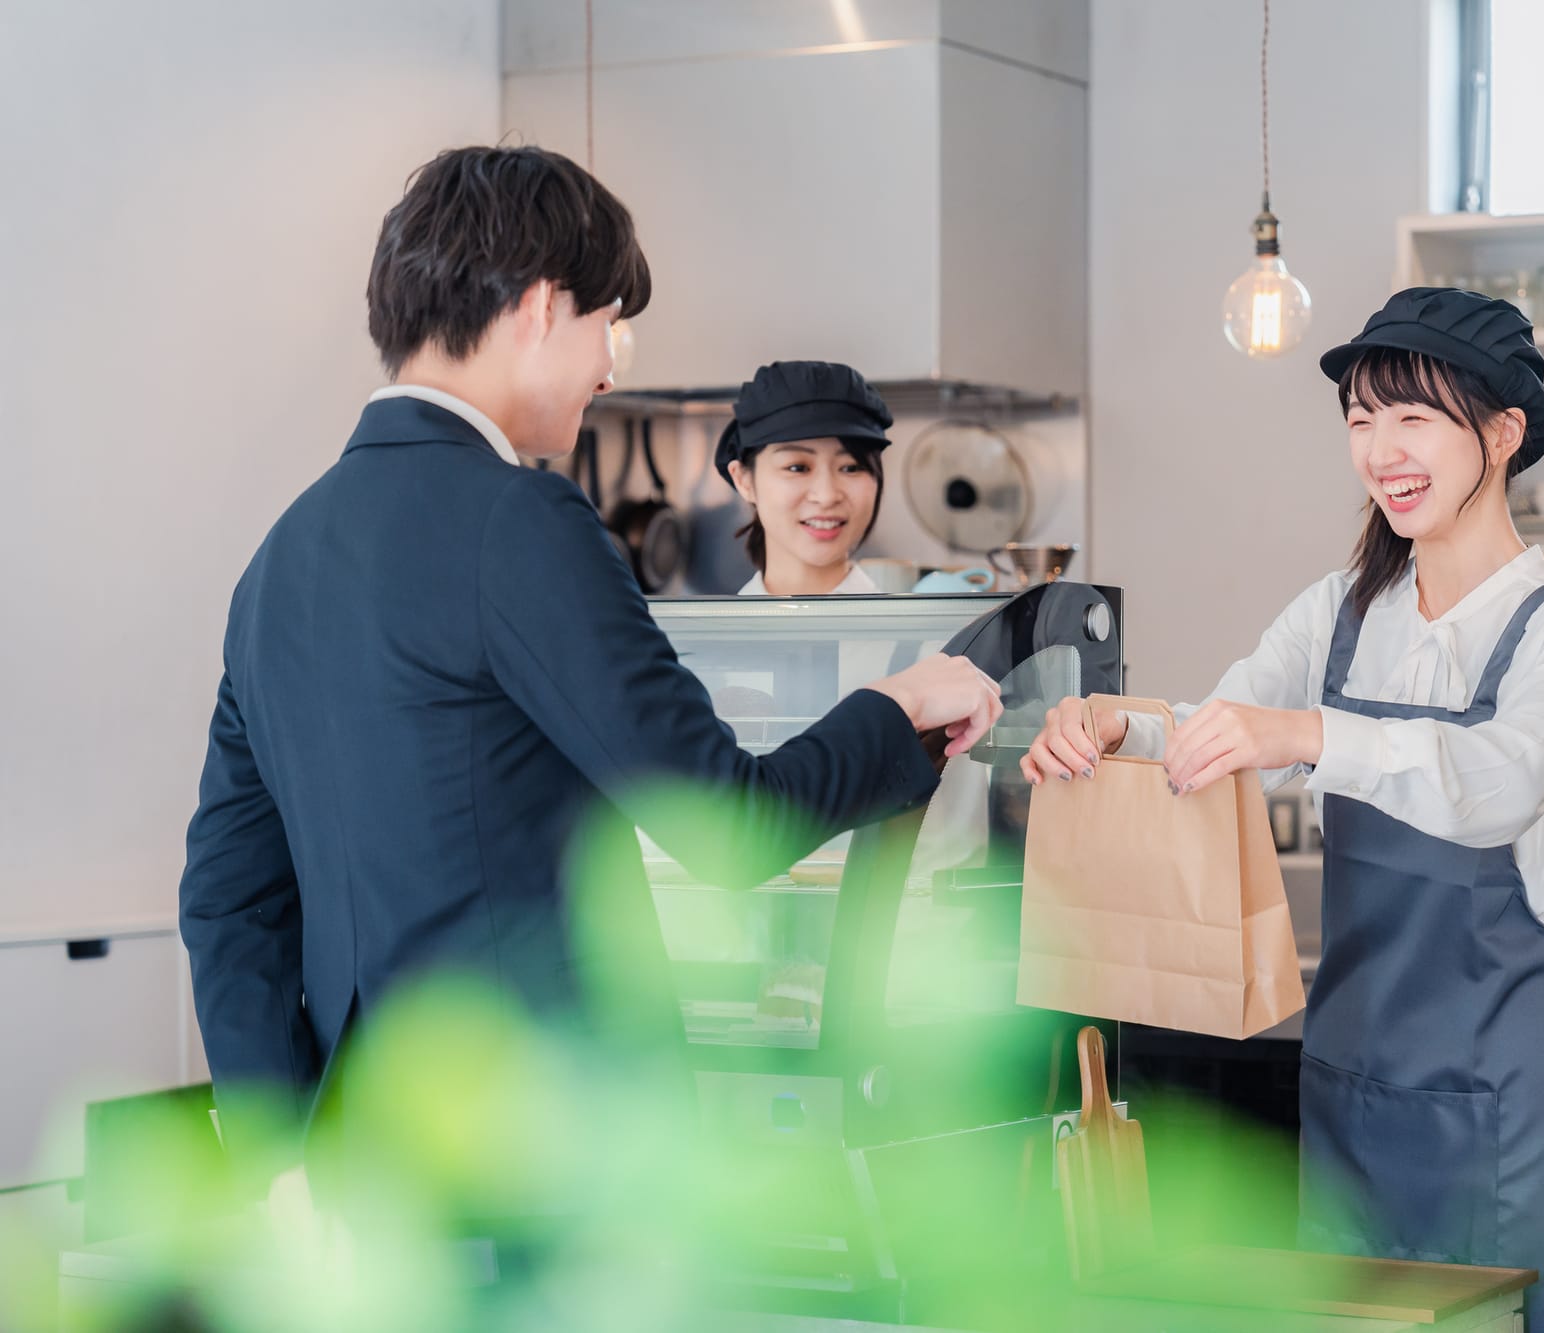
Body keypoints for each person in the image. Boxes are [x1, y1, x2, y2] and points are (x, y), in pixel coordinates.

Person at [177, 145, 1001, 1198]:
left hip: (364, 1169)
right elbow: (725, 823)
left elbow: (227, 901)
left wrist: (279, 1164)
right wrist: (892, 704)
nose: (613, 366)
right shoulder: (516, 520)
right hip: (551, 1154)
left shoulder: (279, 559)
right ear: (537, 306)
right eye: (607, 324)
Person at [1022, 288, 1544, 1328]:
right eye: (1359, 420)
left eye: (1411, 417)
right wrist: (1120, 731)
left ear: (1501, 432)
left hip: (1517, 1094)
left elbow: (1493, 782)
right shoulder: (1339, 609)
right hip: (1355, 1084)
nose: (1378, 449)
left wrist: (1305, 733)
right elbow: (1223, 730)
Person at [718, 360, 889, 596]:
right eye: (797, 468)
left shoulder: (918, 631)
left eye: (851, 467)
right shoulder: (721, 632)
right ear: (744, 481)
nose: (827, 496)